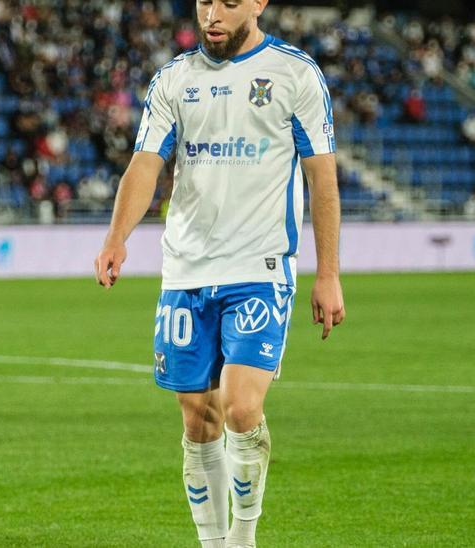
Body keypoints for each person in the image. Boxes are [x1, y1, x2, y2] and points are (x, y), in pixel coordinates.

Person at [93, 1, 346, 546]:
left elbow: (322, 177)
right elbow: (145, 163)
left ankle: (242, 538)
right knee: (197, 419)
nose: (213, 13)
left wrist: (329, 273)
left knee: (241, 405)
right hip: (185, 269)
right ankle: (212, 543)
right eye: (206, 1)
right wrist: (117, 237)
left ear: (258, 3)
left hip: (260, 265)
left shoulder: (295, 73)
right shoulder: (174, 78)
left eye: (229, 3)